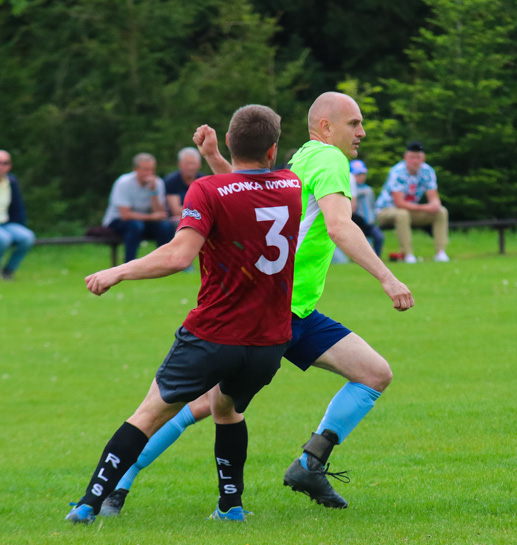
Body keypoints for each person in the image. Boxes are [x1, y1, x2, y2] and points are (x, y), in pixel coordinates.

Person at [96, 92, 414, 517]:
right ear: (325, 127)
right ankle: (118, 486)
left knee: (373, 373)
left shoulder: (301, 160)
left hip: (295, 309)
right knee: (199, 405)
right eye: (354, 123)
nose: (362, 132)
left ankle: (309, 464)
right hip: (272, 311)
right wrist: (388, 277)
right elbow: (340, 226)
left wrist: (213, 159)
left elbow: (245, 195)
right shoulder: (331, 162)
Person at [65, 104, 303, 523]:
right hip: (268, 342)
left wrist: (118, 271)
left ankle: (88, 503)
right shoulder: (289, 184)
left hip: (214, 335)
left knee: (148, 414)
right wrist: (216, 158)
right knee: (227, 409)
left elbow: (179, 256)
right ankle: (230, 507)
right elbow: (245, 186)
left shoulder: (206, 191)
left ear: (230, 140)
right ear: (273, 150)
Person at [375, 141, 450, 263]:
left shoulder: (428, 171)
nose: (415, 161)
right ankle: (408, 255)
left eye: (418, 157)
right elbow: (399, 203)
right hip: (385, 210)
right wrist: (425, 208)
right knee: (402, 214)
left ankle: (441, 253)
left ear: (423, 158)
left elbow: (434, 198)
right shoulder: (397, 172)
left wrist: (435, 205)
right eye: (412, 157)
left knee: (441, 211)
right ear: (405, 157)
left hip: (410, 210)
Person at [102, 153, 176, 262]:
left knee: (165, 226)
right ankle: (129, 263)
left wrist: (154, 192)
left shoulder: (157, 183)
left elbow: (160, 214)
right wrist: (152, 217)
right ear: (135, 169)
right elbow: (125, 215)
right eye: (145, 170)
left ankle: (161, 263)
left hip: (143, 222)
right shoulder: (124, 183)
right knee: (136, 225)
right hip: (117, 222)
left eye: (152, 170)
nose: (149, 173)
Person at [0, 150, 36, 280]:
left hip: (6, 223)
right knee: (3, 239)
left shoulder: (12, 181)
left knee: (27, 237)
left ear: (9, 166)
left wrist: (20, 225)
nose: (1, 166)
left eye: (5, 163)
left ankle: (8, 271)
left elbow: (17, 206)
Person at [350, 159, 385, 257]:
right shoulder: (350, 190)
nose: (361, 177)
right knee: (365, 245)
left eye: (363, 174)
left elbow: (372, 205)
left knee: (379, 237)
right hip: (357, 223)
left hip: (369, 222)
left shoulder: (369, 190)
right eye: (358, 175)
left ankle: (378, 258)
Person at [164, 147, 205, 221]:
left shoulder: (204, 181)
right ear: (180, 164)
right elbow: (176, 211)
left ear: (199, 165)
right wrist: (199, 209)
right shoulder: (172, 181)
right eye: (187, 164)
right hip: (177, 219)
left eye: (193, 163)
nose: (190, 167)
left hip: (198, 217)